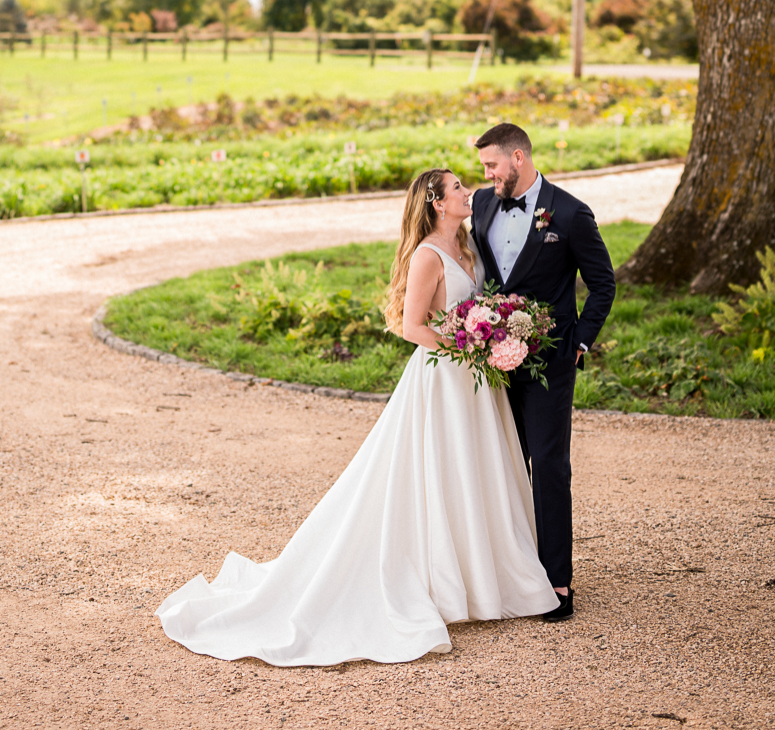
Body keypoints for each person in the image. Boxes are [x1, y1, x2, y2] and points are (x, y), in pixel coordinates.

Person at [155, 168, 559, 666]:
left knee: (474, 471)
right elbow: (413, 327)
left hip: (475, 382)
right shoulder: (427, 255)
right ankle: (440, 582)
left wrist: (492, 337)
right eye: (456, 188)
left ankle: (487, 576)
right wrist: (470, 345)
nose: (466, 192)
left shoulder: (469, 246)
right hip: (444, 379)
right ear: (436, 202)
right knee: (437, 471)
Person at [470, 122, 616, 621]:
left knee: (548, 466)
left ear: (518, 158)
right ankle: (509, 573)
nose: (486, 175)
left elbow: (603, 285)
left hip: (550, 364)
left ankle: (557, 580)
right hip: (492, 362)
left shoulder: (572, 214)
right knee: (499, 462)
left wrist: (579, 343)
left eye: (492, 165)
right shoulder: (483, 205)